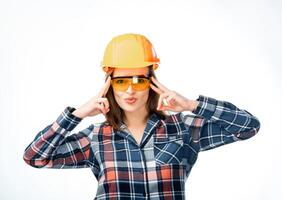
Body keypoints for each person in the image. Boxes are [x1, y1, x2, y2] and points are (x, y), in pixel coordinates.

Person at [23, 33, 261, 200]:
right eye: (121, 81)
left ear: (152, 83)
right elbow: (35, 157)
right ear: (109, 86)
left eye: (139, 80)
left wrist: (191, 104)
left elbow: (247, 127)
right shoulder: (96, 137)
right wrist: (77, 115)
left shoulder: (183, 129)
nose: (129, 90)